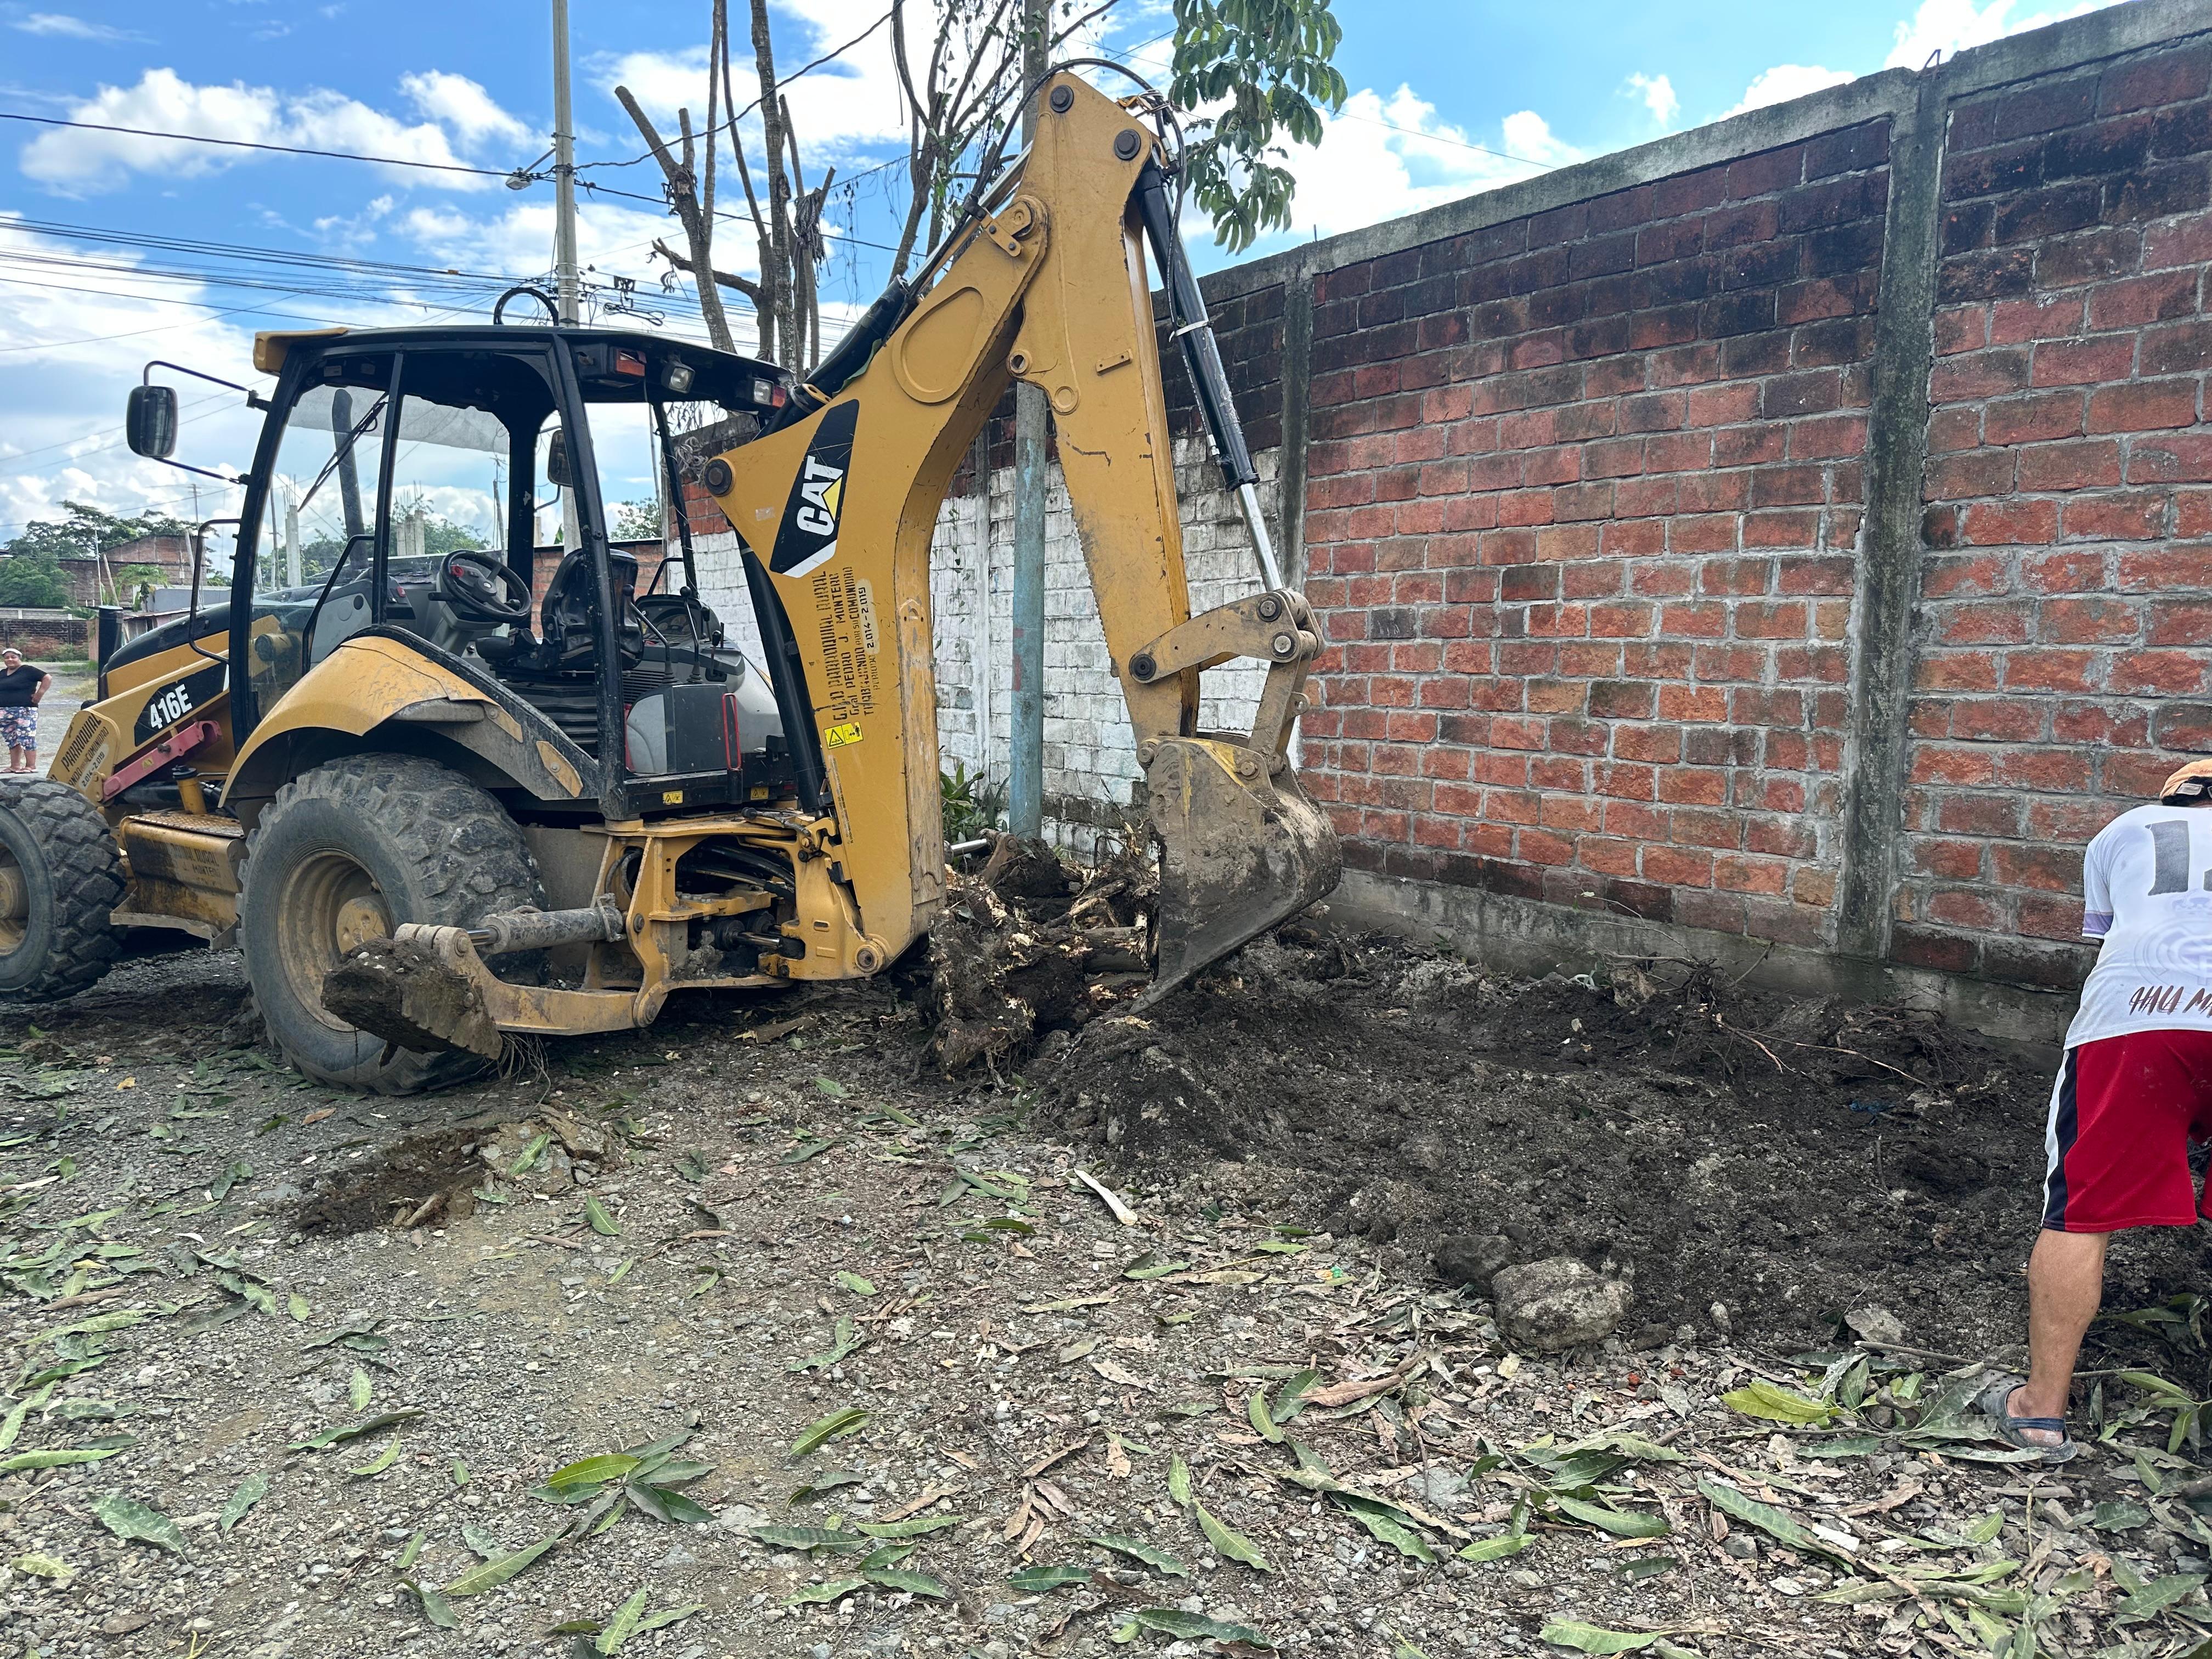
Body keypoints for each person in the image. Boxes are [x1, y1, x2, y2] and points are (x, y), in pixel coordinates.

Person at [1983, 757, 2212, 1462]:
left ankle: (2038, 1413)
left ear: (2173, 799)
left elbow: (2109, 935)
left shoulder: (2123, 830)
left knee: (2080, 1210)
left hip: (2139, 1022)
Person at [0, 647, 49, 774]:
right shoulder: (2, 673)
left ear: (19, 658)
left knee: (27, 736)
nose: (10, 659)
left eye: (13, 657)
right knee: (11, 738)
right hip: (4, 711)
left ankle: (31, 766)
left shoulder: (28, 670)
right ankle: (15, 766)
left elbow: (47, 678)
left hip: (25, 710)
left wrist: (39, 694)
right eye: (7, 658)